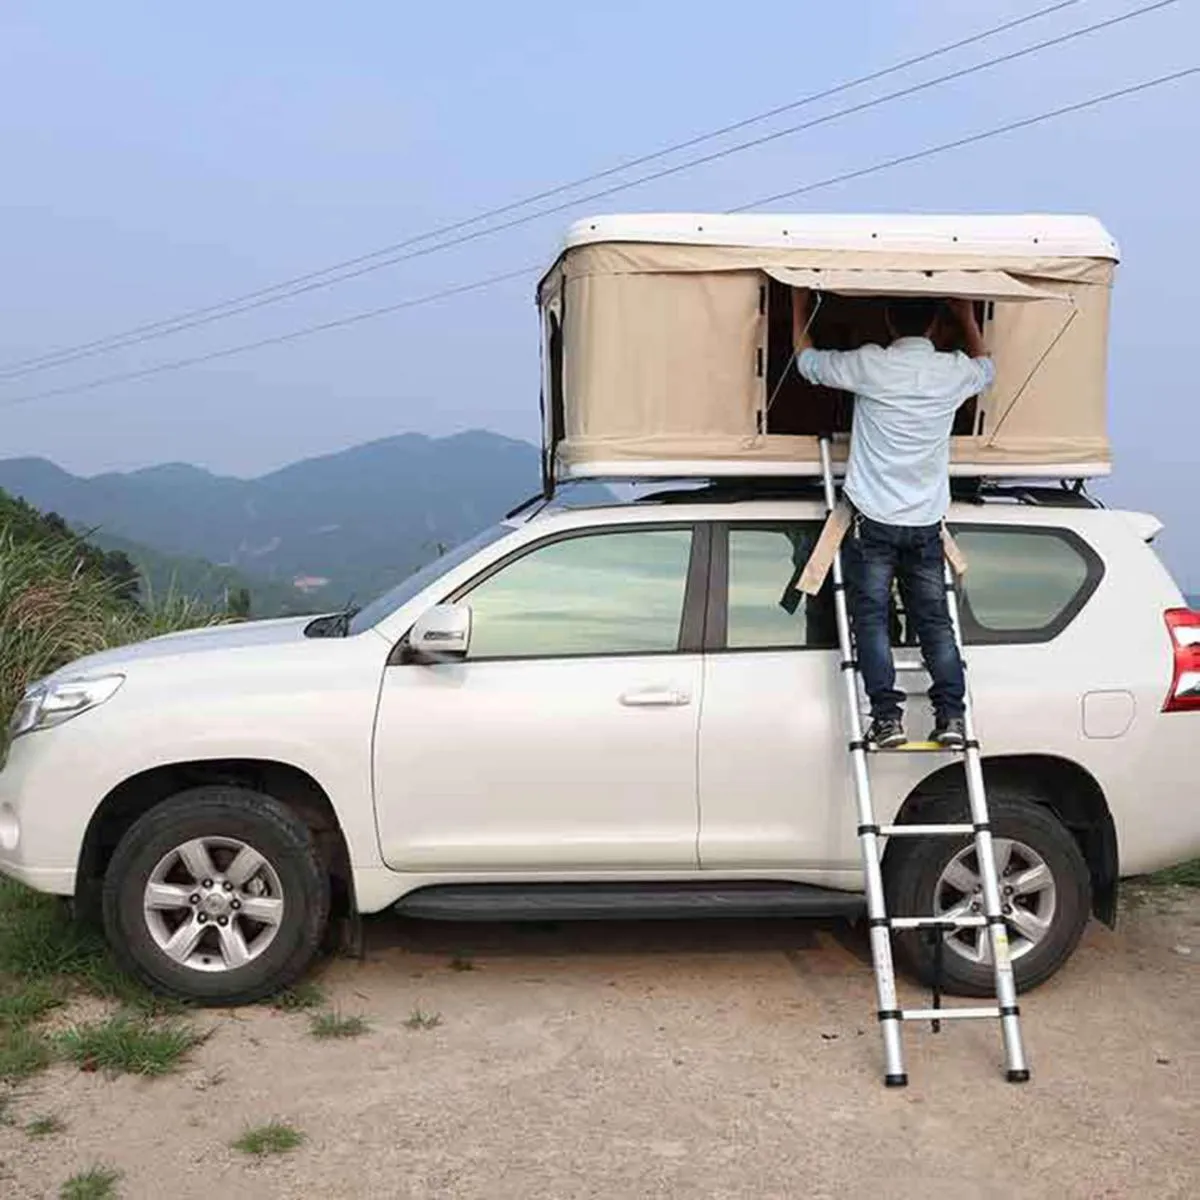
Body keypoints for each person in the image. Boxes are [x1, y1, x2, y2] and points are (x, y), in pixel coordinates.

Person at [792, 293, 994, 749]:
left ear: (886, 320)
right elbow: (988, 370)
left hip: (873, 519)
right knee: (935, 623)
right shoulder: (953, 371)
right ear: (934, 324)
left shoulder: (871, 364)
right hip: (925, 521)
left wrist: (800, 307)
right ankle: (951, 718)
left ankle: (887, 718)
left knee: (872, 621)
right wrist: (965, 317)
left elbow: (807, 363)